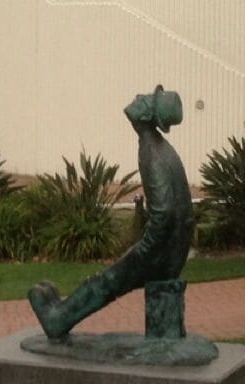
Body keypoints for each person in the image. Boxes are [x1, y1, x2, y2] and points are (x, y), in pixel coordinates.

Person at [28, 85, 194, 340]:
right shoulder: (160, 147)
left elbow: (166, 210)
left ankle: (57, 319)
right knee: (111, 279)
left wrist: (146, 248)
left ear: (148, 115)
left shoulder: (151, 151)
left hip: (161, 250)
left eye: (148, 99)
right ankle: (61, 313)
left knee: (109, 280)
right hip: (172, 250)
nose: (140, 97)